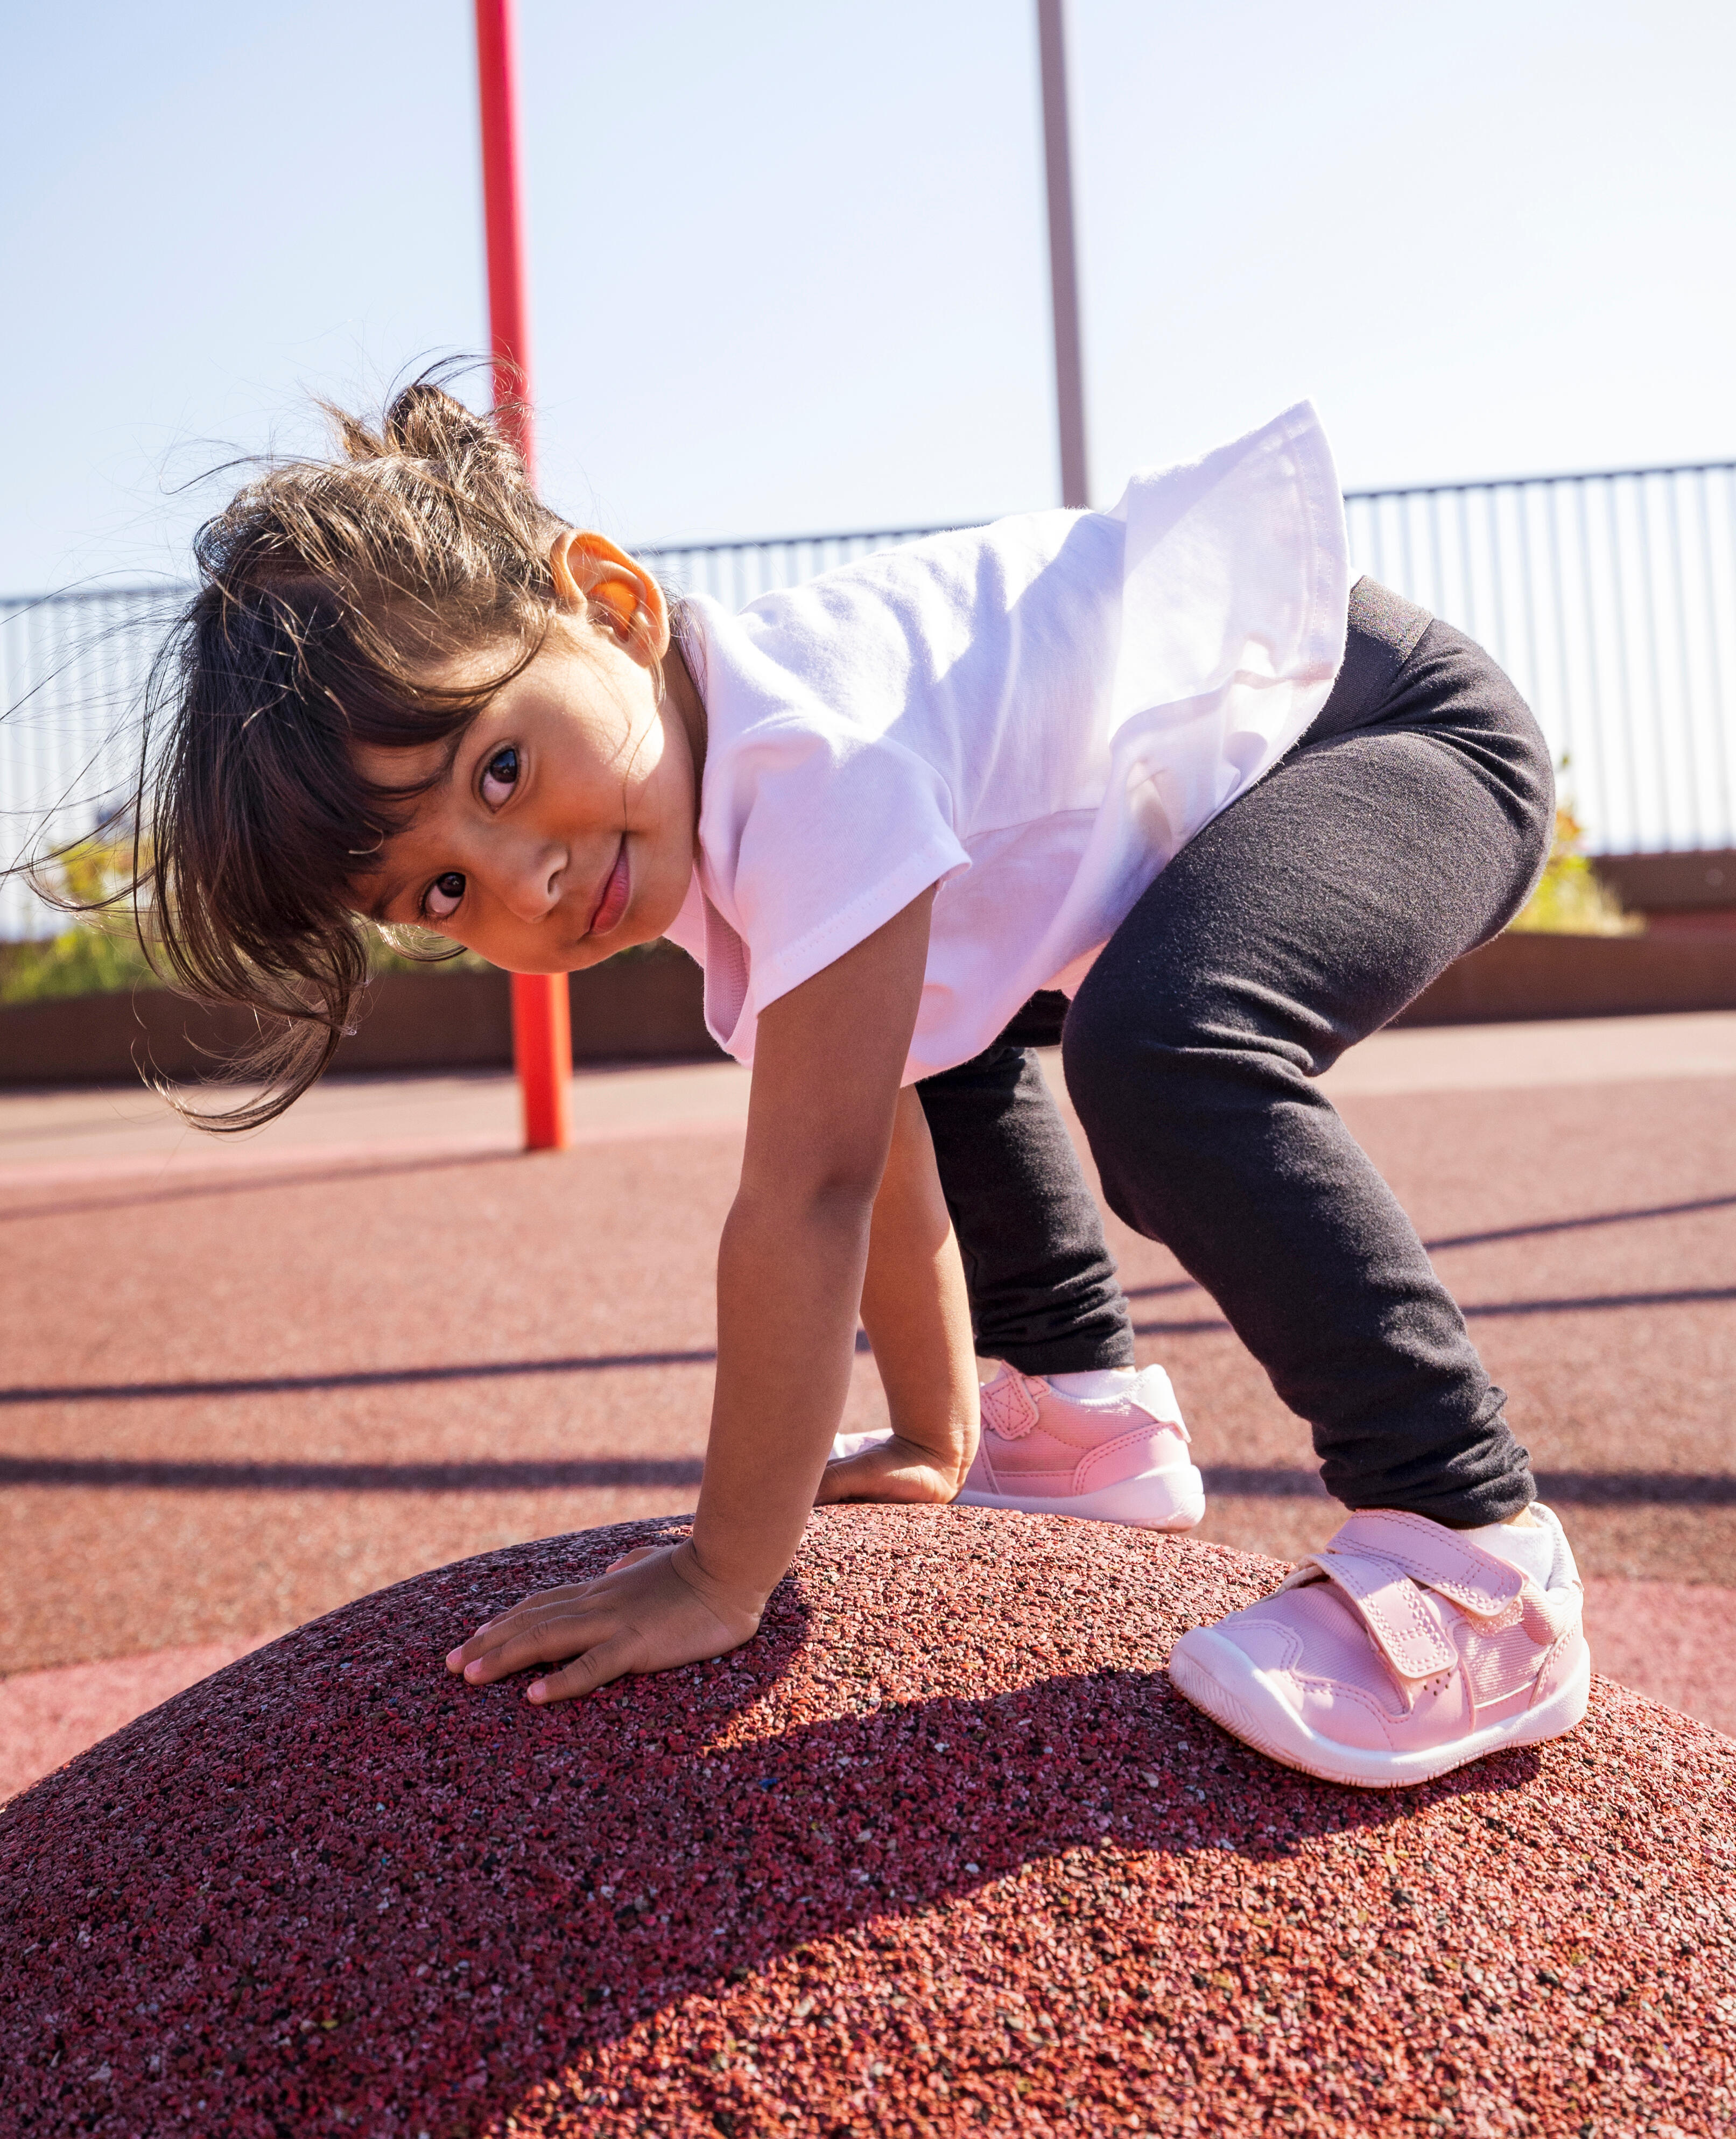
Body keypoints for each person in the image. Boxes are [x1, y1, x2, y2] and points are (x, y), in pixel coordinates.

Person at [131, 379, 1589, 1788]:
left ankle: (1476, 1566)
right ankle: (1073, 1417)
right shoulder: (722, 810)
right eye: (445, 888)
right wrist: (933, 1434)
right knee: (939, 1026)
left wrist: (721, 1569)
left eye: (502, 768)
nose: (530, 878)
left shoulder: (804, 759)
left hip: (1380, 728)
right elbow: (878, 1129)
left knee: (1159, 1053)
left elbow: (807, 1197)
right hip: (1271, 758)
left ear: (613, 607)